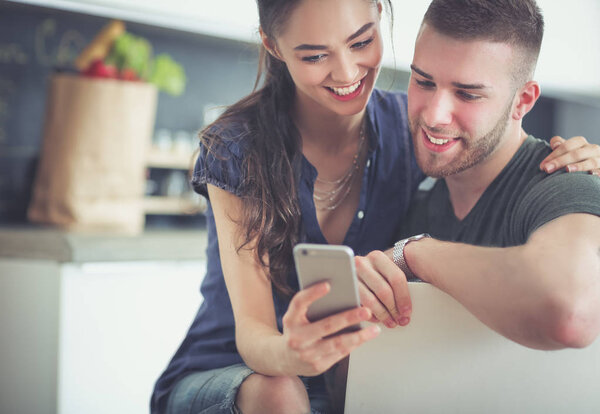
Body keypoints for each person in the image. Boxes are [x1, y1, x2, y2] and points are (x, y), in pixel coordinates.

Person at [151, 1, 600, 413]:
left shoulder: (413, 131)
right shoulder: (237, 146)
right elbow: (252, 336)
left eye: (362, 41)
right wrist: (293, 355)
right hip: (241, 372)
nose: (347, 71)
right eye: (313, 55)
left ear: (381, 16)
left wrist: (588, 165)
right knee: (280, 391)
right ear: (273, 46)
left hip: (345, 383)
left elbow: (488, 144)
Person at [357, 0, 600, 352]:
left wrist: (417, 255)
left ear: (523, 101)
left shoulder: (565, 185)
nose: (435, 115)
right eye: (423, 82)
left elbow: (569, 314)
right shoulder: (417, 206)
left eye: (468, 94)